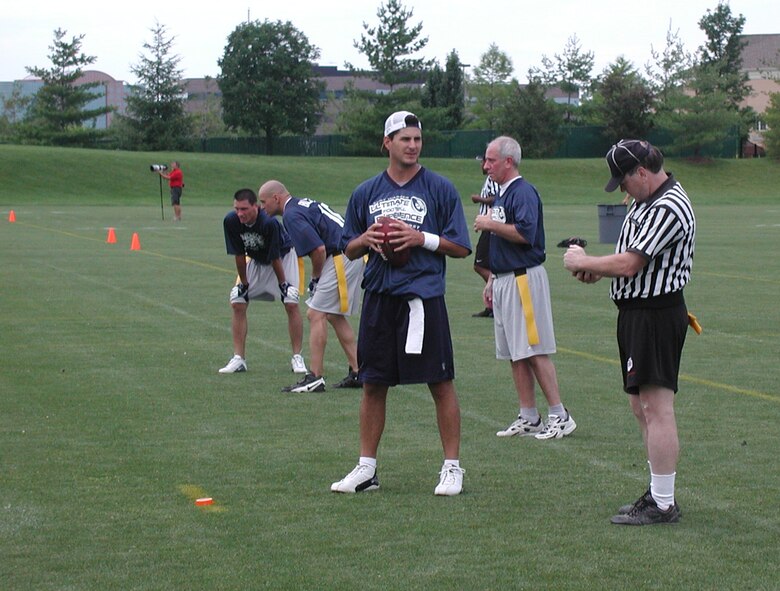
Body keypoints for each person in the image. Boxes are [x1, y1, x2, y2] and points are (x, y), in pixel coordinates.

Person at [331, 111, 472, 496]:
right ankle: (366, 468)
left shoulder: (440, 188)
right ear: (387, 143)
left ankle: (452, 467)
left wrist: (419, 238)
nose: (412, 146)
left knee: (440, 382)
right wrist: (367, 239)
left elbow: (461, 246)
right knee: (372, 384)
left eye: (417, 139)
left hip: (422, 299)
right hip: (379, 298)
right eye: (404, 139)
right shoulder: (366, 192)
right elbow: (347, 246)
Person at [563, 139, 696, 526]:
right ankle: (658, 492)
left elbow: (630, 264)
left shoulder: (668, 206)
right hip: (637, 313)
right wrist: (595, 270)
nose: (622, 189)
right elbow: (629, 261)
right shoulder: (647, 200)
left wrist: (585, 260)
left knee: (656, 407)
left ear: (641, 172)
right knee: (642, 407)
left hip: (655, 314)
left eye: (623, 181)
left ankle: (663, 503)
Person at [475, 136, 577, 441]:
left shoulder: (523, 192)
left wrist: (490, 224)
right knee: (515, 353)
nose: (486, 166)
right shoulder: (503, 194)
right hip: (506, 279)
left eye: (491, 160)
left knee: (534, 349)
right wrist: (493, 278)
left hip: (523, 279)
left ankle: (560, 415)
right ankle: (529, 416)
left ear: (508, 161)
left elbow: (525, 233)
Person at [259, 180, 364, 393]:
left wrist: (315, 278)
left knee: (315, 313)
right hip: (348, 252)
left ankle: (315, 377)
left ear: (276, 198)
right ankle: (359, 371)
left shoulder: (291, 215)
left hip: (341, 255)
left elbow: (318, 250)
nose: (262, 207)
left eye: (263, 202)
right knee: (333, 315)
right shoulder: (299, 205)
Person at [218, 188, 307, 376]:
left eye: (244, 209)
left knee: (291, 302)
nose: (240, 214)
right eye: (237, 209)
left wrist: (283, 285)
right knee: (237, 301)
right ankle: (238, 358)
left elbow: (275, 257)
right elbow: (239, 255)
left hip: (283, 258)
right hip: (256, 259)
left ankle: (297, 356)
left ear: (255, 207)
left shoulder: (269, 223)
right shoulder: (231, 221)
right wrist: (243, 284)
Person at [470, 154, 499, 318]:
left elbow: (496, 199)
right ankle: (492, 305)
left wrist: (479, 199)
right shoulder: (490, 178)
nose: (483, 165)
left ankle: (502, 291)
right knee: (485, 265)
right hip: (488, 226)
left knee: (480, 265)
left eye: (484, 161)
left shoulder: (494, 178)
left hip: (491, 225)